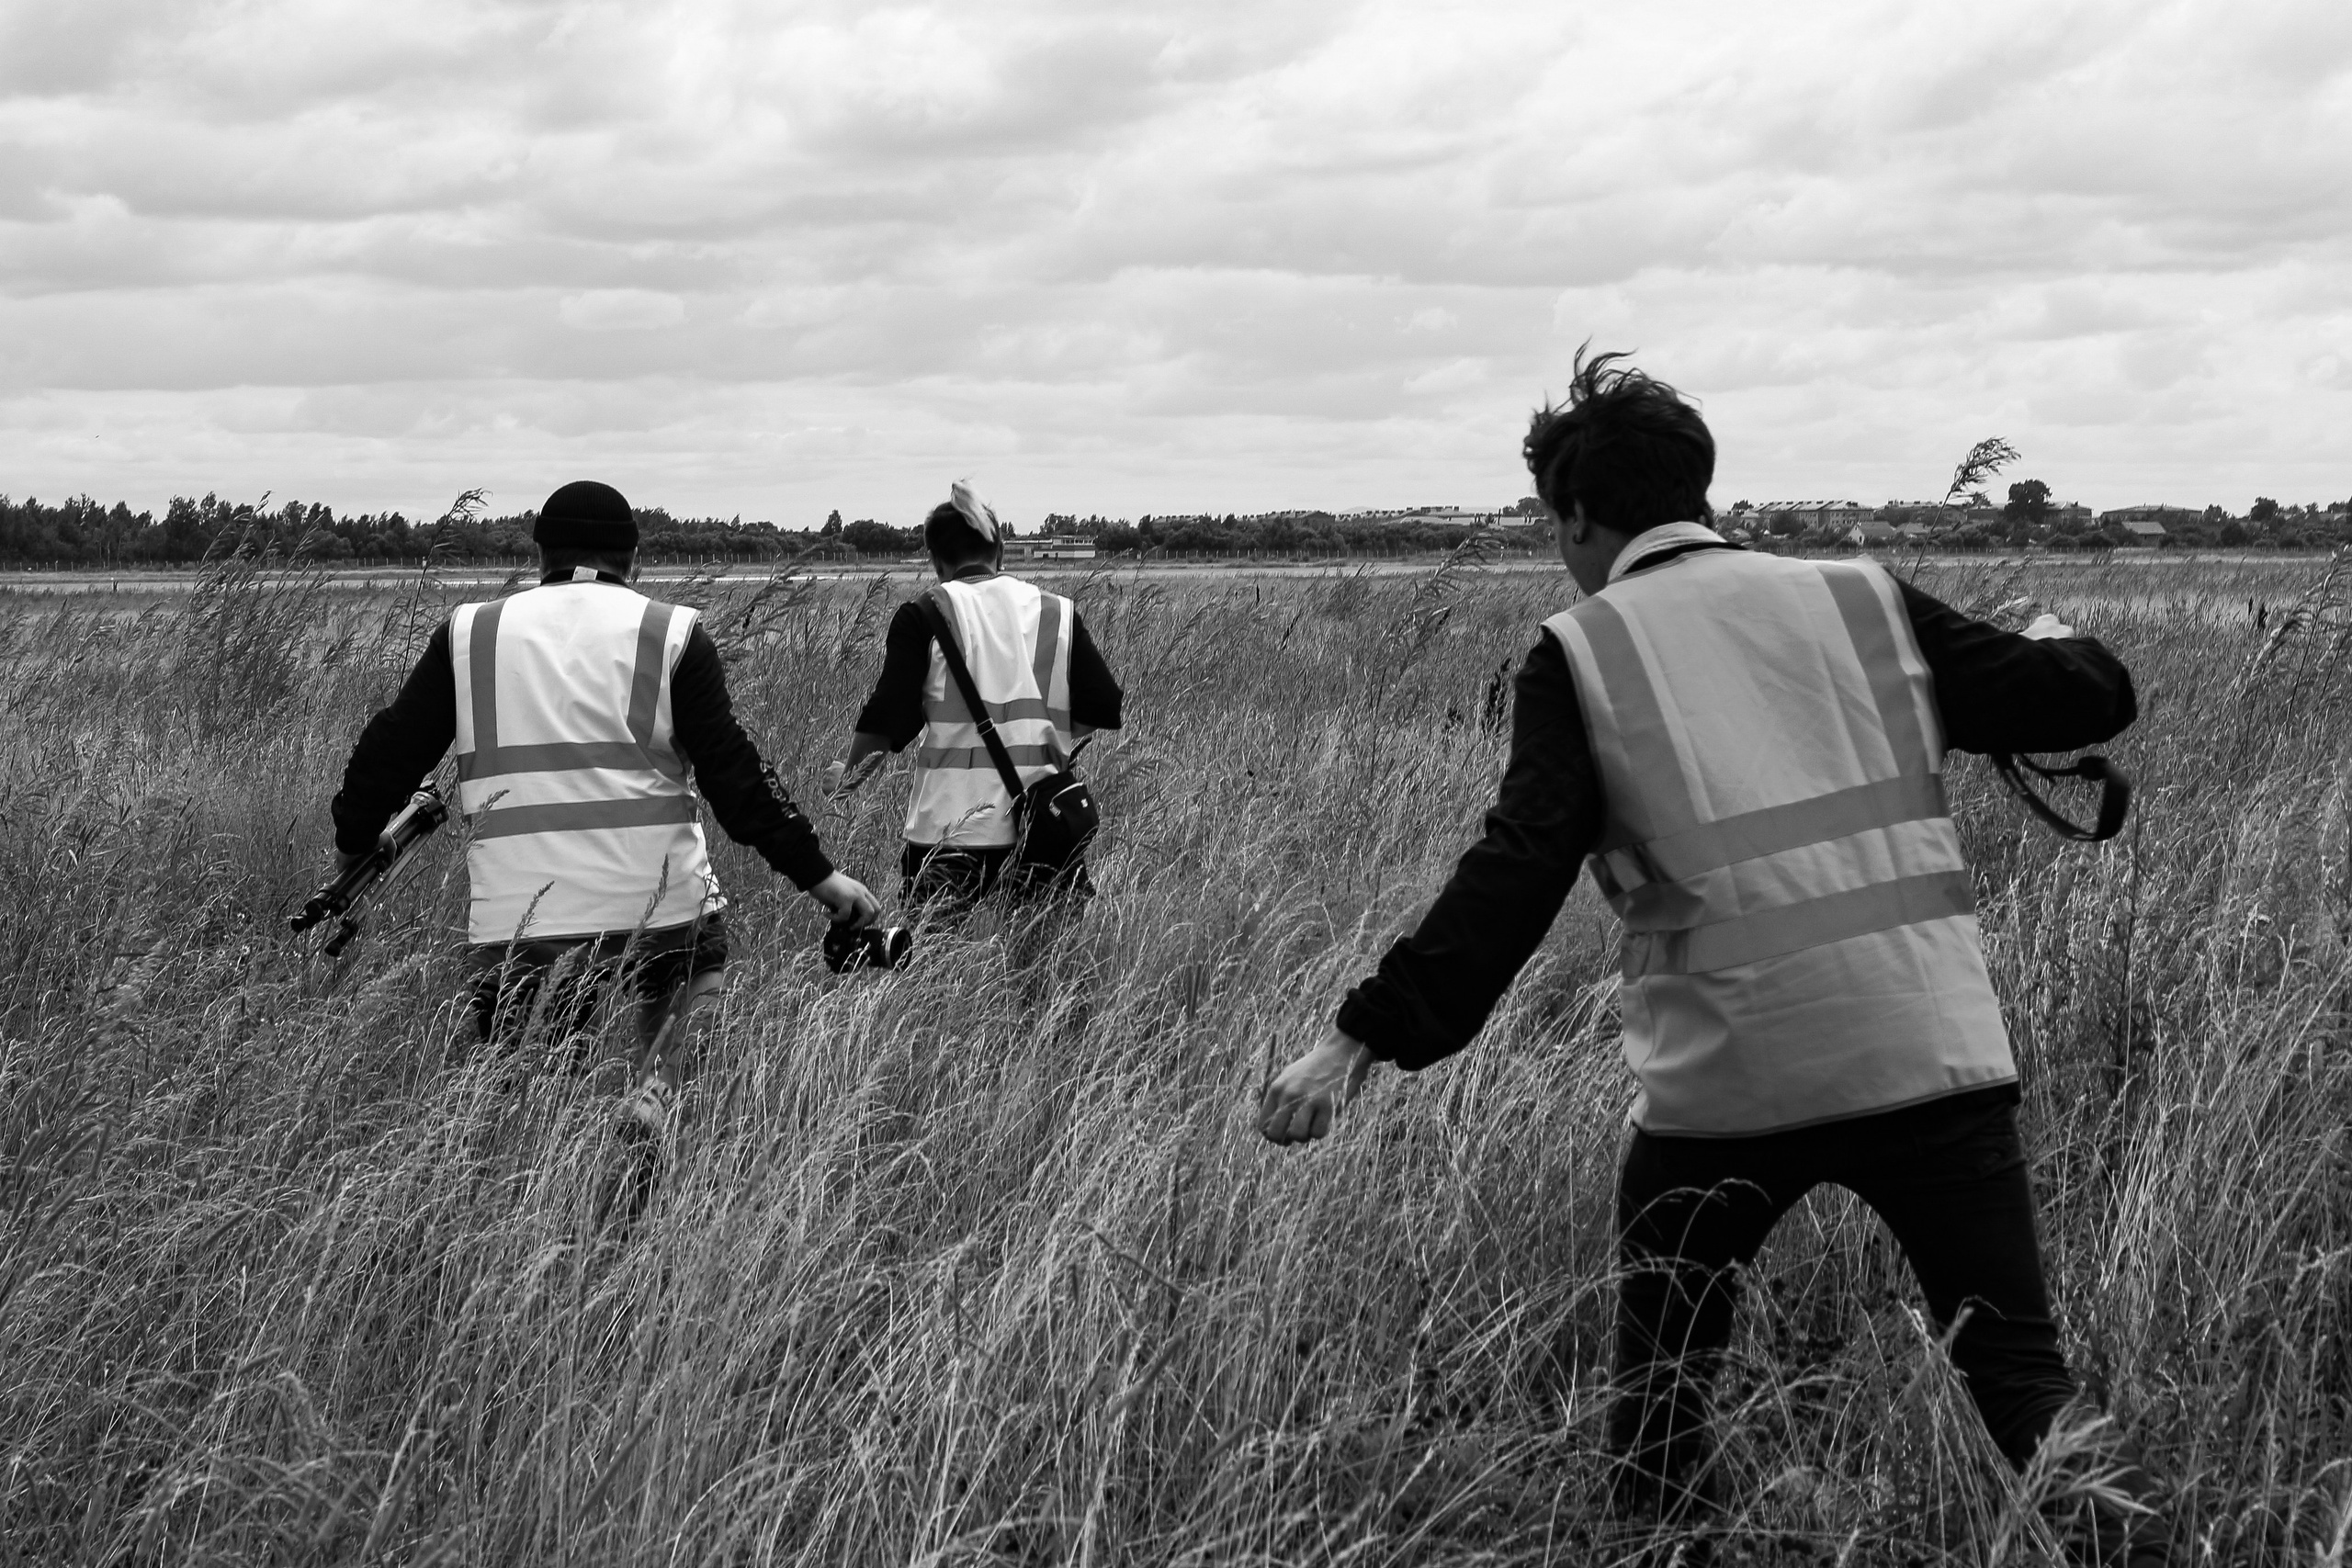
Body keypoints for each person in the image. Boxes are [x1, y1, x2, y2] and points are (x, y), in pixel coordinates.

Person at [1256, 355, 2166, 1562]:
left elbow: (1514, 870)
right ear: (1700, 484)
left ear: (1575, 516)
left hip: (1728, 1087)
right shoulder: (1859, 597)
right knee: (2017, 1375)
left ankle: (1659, 1542)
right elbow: (2081, 699)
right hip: (1932, 1051)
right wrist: (2071, 646)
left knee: (1664, 1404)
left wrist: (1359, 1037)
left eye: (1554, 527)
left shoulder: (1579, 651)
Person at [330, 480, 880, 1147]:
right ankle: (657, 1089)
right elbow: (740, 785)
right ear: (636, 559)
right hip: (659, 910)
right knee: (700, 969)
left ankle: (540, 1188)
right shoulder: (672, 632)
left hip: (520, 923)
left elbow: (384, 756)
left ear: (539, 558)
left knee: (528, 1099)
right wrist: (823, 878)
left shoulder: (470, 633)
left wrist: (354, 850)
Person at [828, 480, 1123, 909]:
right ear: (998, 551)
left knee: (936, 970)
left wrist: (847, 780)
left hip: (948, 836)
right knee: (1046, 971)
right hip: (1042, 827)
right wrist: (1043, 736)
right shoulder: (1058, 611)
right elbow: (1104, 705)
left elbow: (886, 721)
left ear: (936, 561)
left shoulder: (926, 614)